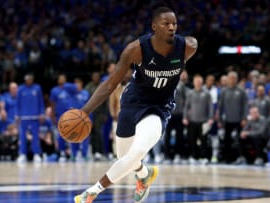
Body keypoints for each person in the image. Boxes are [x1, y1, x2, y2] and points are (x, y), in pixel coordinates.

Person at [74, 6, 197, 203]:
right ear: (154, 26)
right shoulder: (136, 49)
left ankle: (93, 191)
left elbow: (189, 43)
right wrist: (84, 112)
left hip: (159, 108)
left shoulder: (188, 47)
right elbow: (110, 84)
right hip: (132, 103)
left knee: (137, 151)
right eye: (166, 24)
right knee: (124, 158)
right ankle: (143, 174)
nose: (172, 27)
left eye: (174, 24)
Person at [16, 74, 45, 163]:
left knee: (35, 136)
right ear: (25, 79)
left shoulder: (37, 88)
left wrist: (42, 113)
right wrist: (17, 114)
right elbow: (18, 102)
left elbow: (41, 101)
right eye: (27, 79)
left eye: (30, 79)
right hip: (24, 117)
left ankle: (36, 154)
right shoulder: (21, 89)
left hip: (35, 116)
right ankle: (22, 154)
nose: (29, 80)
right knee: (22, 136)